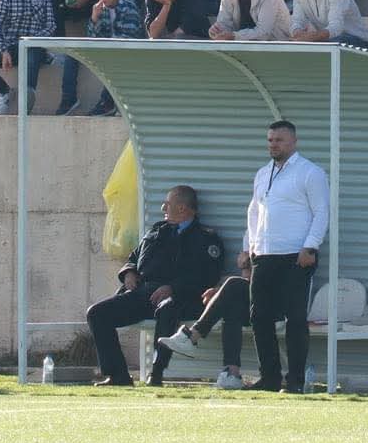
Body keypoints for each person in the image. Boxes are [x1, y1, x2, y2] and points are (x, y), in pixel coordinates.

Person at [85, 185, 225, 387]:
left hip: (180, 298)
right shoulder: (157, 231)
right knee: (97, 313)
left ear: (182, 209)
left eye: (168, 204)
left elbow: (207, 276)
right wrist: (128, 272)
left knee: (167, 307)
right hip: (143, 294)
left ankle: (156, 373)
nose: (163, 208)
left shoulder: (205, 239)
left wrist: (173, 288)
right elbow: (133, 257)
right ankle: (118, 375)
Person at [243, 120, 329, 393]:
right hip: (265, 254)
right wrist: (248, 248)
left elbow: (321, 212)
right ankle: (268, 377)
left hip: (296, 255)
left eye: (279, 140)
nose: (273, 145)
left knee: (295, 318)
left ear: (293, 142)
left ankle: (295, 380)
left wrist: (311, 246)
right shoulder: (262, 173)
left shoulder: (309, 172)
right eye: (270, 140)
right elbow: (254, 213)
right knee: (260, 317)